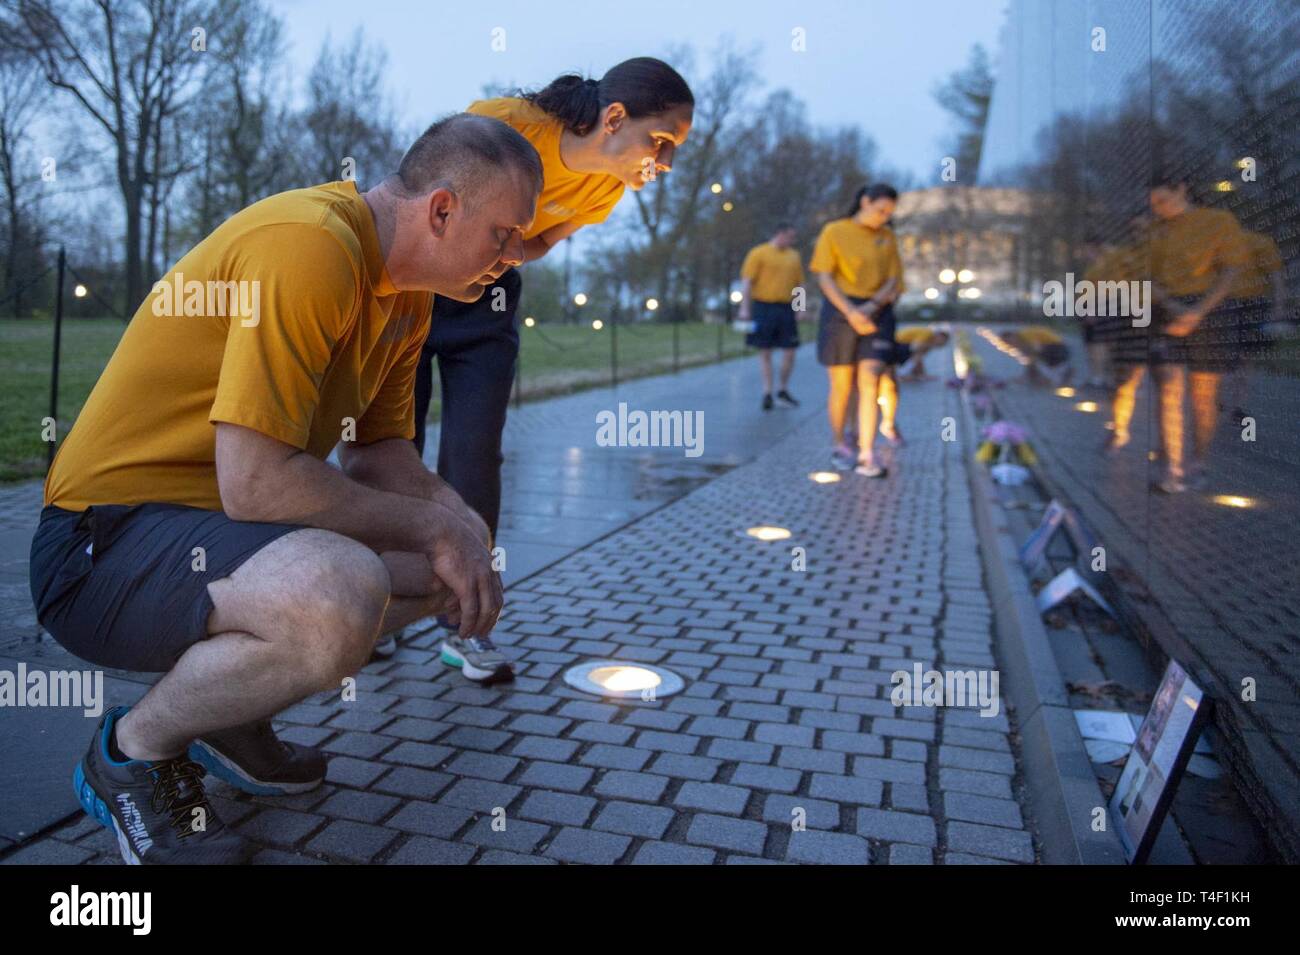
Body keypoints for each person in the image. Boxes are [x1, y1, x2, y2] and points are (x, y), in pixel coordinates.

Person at [28, 114, 539, 863]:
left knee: (448, 569)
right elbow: (258, 483)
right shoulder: (311, 246)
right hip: (98, 544)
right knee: (339, 589)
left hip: (208, 535)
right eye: (505, 233)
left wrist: (460, 523)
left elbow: (378, 453)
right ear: (440, 209)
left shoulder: (407, 297)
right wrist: (433, 526)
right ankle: (132, 754)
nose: (515, 255)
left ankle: (230, 714)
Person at [402, 58, 693, 678]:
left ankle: (463, 624)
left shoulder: (607, 189)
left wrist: (501, 251)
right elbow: (421, 199)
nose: (664, 162)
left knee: (475, 454)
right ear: (615, 118)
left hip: (490, 298)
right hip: (418, 288)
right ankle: (380, 602)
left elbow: (536, 245)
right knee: (394, 446)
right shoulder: (504, 125)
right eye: (661, 141)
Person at [1143, 173, 1248, 493]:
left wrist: (1198, 312)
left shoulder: (1219, 222)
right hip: (1170, 311)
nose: (1159, 208)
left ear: (1181, 189)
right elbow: (1149, 280)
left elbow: (1230, 271)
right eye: (1154, 204)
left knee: (1203, 395)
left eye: (1163, 200)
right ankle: (1171, 468)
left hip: (1212, 310)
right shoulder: (1157, 233)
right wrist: (1176, 310)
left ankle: (1198, 461)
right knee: (1169, 389)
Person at [811, 183, 904, 478]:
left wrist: (871, 306)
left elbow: (894, 280)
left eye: (889, 213)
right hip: (840, 311)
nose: (884, 217)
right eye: (880, 210)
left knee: (871, 379)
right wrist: (851, 311)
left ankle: (867, 452)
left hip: (877, 312)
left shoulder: (887, 238)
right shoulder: (834, 231)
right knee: (842, 385)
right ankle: (840, 442)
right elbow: (824, 277)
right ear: (865, 202)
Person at [738, 222, 807, 410]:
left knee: (790, 350)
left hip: (785, 307)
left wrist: (800, 307)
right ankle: (767, 391)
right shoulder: (759, 253)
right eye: (790, 236)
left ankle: (782, 388)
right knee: (765, 350)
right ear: (780, 234)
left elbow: (799, 284)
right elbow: (747, 281)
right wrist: (745, 308)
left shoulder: (794, 256)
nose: (792, 240)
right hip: (763, 306)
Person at [1002, 325, 1072, 385]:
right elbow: (1029, 359)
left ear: (1013, 336)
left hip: (1057, 348)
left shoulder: (1026, 335)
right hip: (1053, 349)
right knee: (1032, 358)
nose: (1010, 344)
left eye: (1009, 341)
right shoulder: (1021, 340)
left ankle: (1058, 375)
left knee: (1036, 357)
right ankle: (1037, 377)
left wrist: (1030, 374)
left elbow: (1036, 351)